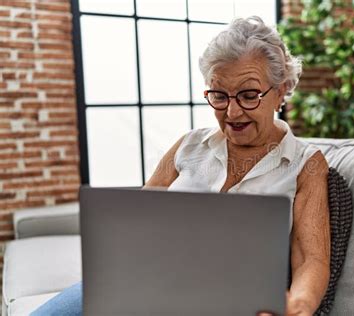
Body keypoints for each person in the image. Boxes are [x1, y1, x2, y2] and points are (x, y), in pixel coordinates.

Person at [31, 16, 330, 316]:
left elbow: (310, 259)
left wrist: (299, 305)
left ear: (280, 91)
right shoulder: (189, 145)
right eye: (219, 95)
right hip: (144, 284)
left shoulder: (306, 164)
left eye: (249, 95)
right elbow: (137, 220)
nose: (232, 111)